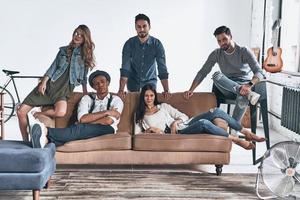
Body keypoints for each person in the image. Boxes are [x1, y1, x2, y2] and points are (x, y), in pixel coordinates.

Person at [17, 24, 96, 141]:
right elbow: (52, 67)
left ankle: (37, 114)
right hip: (50, 85)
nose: (77, 36)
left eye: (81, 35)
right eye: (76, 33)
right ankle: (25, 141)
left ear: (85, 38)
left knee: (60, 112)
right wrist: (43, 82)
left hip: (63, 91)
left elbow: (84, 77)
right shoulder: (64, 50)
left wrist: (85, 92)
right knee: (21, 111)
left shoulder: (85, 56)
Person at [135, 84, 265, 150]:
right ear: (143, 97)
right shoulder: (140, 116)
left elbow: (183, 116)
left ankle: (246, 132)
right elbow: (136, 133)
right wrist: (152, 131)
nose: (149, 98)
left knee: (216, 111)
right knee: (203, 122)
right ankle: (236, 140)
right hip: (178, 133)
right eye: (146, 96)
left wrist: (176, 122)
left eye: (151, 95)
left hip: (181, 125)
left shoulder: (163, 106)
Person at [184, 26, 264, 122]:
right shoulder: (216, 54)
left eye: (224, 39)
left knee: (242, 95)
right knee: (216, 75)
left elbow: (259, 72)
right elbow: (203, 72)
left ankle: (234, 130)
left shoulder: (244, 51)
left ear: (230, 36)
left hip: (245, 86)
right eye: (219, 41)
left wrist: (248, 85)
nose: (222, 43)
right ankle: (247, 93)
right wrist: (191, 89)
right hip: (227, 88)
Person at [29, 70, 124, 148]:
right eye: (96, 84)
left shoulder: (116, 100)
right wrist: (107, 112)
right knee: (79, 131)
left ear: (107, 82)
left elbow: (108, 121)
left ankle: (46, 131)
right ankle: (46, 140)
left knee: (80, 128)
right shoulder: (87, 99)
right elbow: (82, 119)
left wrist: (86, 123)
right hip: (87, 129)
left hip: (107, 129)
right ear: (94, 87)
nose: (100, 85)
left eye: (103, 82)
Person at [118, 13, 171, 99]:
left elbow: (162, 68)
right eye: (138, 27)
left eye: (144, 26)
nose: (141, 29)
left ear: (149, 26)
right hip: (133, 82)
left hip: (150, 82)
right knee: (134, 108)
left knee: (149, 107)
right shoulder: (129, 44)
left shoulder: (157, 44)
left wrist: (166, 90)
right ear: (135, 28)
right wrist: (121, 90)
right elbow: (125, 69)